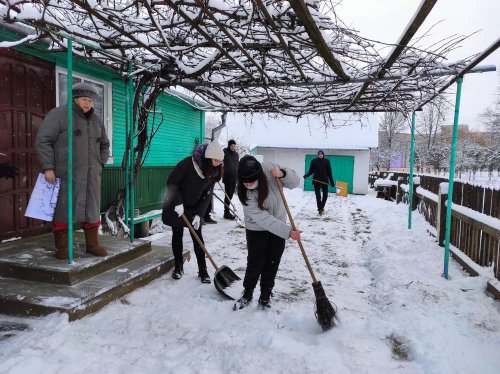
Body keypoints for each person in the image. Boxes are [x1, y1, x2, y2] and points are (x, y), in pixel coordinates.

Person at [35, 82, 110, 260]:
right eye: (84, 99)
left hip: (92, 175)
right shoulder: (59, 115)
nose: (88, 103)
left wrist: (101, 161)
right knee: (63, 209)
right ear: (75, 99)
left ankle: (93, 244)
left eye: (91, 100)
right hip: (66, 174)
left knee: (91, 209)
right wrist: (48, 168)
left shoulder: (97, 120)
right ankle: (62, 248)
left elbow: (105, 144)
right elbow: (43, 141)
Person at [233, 155, 301, 310]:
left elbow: (296, 181)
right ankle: (247, 293)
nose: (248, 185)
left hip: (279, 223)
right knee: (255, 263)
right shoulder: (246, 194)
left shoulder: (269, 169)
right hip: (257, 229)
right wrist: (288, 232)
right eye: (244, 182)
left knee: (272, 262)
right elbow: (264, 219)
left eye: (251, 181)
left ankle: (265, 295)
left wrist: (283, 173)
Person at [162, 141, 224, 283]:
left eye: (220, 161)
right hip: (177, 206)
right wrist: (178, 203)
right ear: (208, 158)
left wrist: (199, 214)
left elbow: (207, 194)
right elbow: (172, 182)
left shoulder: (213, 171)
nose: (218, 164)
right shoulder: (187, 164)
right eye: (215, 160)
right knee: (177, 235)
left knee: (198, 238)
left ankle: (203, 271)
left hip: (194, 208)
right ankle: (178, 267)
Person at [303, 150, 334, 215]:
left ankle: (321, 207)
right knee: (318, 196)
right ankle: (320, 209)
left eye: (321, 154)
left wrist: (332, 182)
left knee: (325, 195)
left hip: (324, 181)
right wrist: (306, 175)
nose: (320, 155)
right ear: (318, 155)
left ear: (323, 154)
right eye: (319, 154)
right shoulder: (314, 161)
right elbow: (311, 171)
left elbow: (329, 173)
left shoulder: (327, 161)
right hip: (316, 181)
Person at [222, 139, 239, 219]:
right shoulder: (225, 152)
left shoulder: (236, 155)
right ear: (229, 146)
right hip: (228, 178)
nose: (233, 147)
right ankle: (226, 213)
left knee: (231, 196)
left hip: (234, 178)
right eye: (232, 146)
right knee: (228, 196)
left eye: (234, 146)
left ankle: (227, 211)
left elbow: (237, 166)